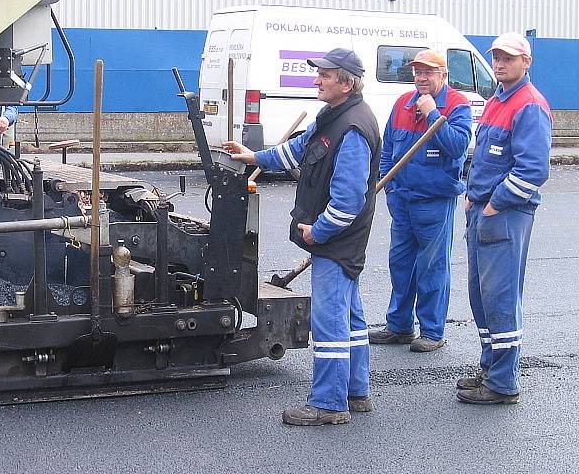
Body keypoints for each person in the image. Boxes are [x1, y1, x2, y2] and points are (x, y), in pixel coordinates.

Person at [223, 48, 381, 427]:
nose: (317, 80)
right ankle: (356, 392)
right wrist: (255, 158)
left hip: (336, 240)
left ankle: (328, 404)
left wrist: (319, 231)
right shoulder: (333, 118)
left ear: (346, 82)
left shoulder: (353, 128)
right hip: (338, 240)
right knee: (351, 316)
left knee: (329, 323)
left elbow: (348, 200)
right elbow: (298, 151)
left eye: (324, 75)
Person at [456, 32, 552, 405]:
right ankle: (490, 367)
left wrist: (495, 203)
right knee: (481, 296)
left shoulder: (529, 104)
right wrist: (472, 195)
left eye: (509, 58)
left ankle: (503, 383)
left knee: (500, 296)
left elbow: (532, 169)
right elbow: (485, 156)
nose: (500, 64)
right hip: (482, 210)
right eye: (496, 57)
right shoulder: (498, 98)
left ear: (526, 62)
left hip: (506, 215)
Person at [369, 50, 472, 352]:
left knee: (432, 267)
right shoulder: (402, 103)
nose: (421, 78)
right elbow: (387, 147)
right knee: (400, 264)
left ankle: (432, 331)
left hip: (435, 201)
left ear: (443, 75)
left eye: (428, 72)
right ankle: (399, 326)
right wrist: (389, 185)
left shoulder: (457, 105)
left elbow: (456, 147)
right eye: (417, 72)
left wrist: (431, 113)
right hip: (402, 199)